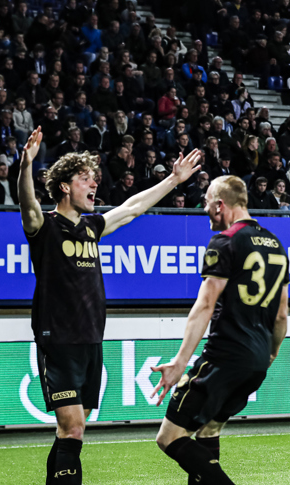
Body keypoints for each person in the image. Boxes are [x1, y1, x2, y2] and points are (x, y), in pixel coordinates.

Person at [17, 127, 202, 485]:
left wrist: (173, 181)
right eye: (85, 179)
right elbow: (27, 205)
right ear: (65, 187)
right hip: (58, 342)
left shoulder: (92, 227)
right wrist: (25, 167)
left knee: (72, 430)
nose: (94, 185)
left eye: (95, 178)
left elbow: (132, 208)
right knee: (72, 428)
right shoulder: (45, 227)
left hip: (91, 341)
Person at [150, 174, 289, 485]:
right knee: (209, 430)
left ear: (220, 205)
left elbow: (204, 305)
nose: (204, 211)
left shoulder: (225, 241)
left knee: (168, 438)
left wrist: (180, 361)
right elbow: (281, 314)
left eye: (207, 204)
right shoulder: (277, 246)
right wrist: (272, 351)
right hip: (256, 362)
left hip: (223, 358)